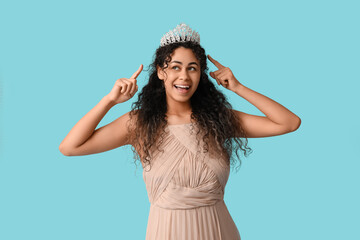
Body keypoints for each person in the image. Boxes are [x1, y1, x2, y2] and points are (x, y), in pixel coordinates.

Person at [59, 23, 301, 240]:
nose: (184, 76)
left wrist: (238, 88)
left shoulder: (218, 120)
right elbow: (70, 147)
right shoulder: (139, 123)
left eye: (192, 68)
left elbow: (288, 123)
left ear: (200, 75)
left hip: (218, 231)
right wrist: (109, 101)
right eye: (175, 67)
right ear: (161, 72)